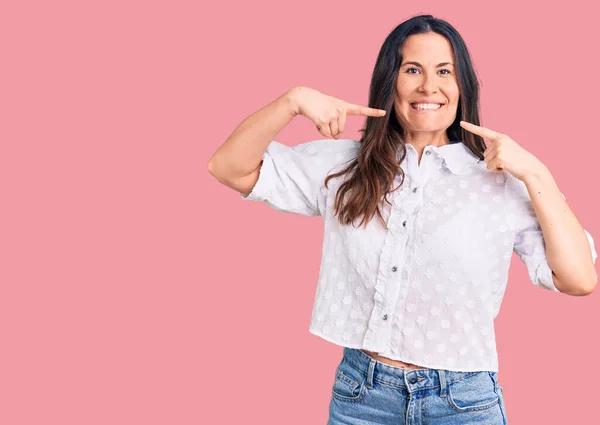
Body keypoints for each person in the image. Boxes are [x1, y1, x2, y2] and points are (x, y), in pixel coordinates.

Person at [207, 14, 597, 425]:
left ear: (461, 85)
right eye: (413, 70)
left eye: (444, 71)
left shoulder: (501, 180)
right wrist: (292, 100)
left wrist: (538, 174)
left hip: (463, 404)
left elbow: (579, 279)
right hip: (362, 398)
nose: (429, 86)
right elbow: (227, 166)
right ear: (390, 81)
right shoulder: (345, 166)